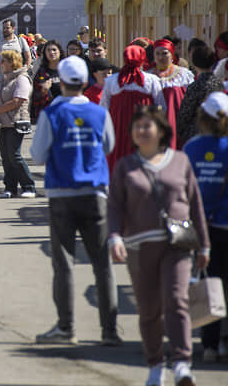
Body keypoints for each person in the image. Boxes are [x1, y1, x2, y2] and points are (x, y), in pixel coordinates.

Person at [107, 106, 209, 386]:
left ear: (162, 130)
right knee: (149, 310)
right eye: (137, 126)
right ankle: (155, 365)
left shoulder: (180, 161)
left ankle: (182, 364)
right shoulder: (125, 166)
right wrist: (114, 236)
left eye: (147, 125)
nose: (141, 131)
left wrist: (204, 245)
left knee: (177, 301)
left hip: (178, 245)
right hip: (139, 248)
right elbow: (115, 206)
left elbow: (195, 204)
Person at [30, 56, 120, 346]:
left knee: (64, 264)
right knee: (102, 264)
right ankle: (109, 331)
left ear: (62, 81)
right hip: (95, 194)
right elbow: (109, 146)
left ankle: (66, 327)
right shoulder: (99, 112)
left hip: (62, 194)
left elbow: (38, 155)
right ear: (85, 81)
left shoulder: (52, 114)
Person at [183, 92, 228, 363]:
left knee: (209, 283)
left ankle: (210, 344)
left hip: (202, 227)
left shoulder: (192, 147)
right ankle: (225, 341)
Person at [102, 45, 165, 171]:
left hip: (118, 130)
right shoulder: (152, 80)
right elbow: (161, 107)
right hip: (144, 129)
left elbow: (104, 108)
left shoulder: (111, 81)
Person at [0, 50, 35, 198]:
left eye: (4, 61)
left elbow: (17, 101)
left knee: (14, 156)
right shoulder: (2, 80)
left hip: (16, 123)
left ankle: (28, 186)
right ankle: (10, 187)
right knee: (6, 157)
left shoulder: (22, 79)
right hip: (1, 124)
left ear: (13, 62)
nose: (1, 64)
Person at [150, 39, 195, 148]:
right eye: (157, 54)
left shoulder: (184, 74)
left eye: (164, 53)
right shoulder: (149, 76)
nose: (160, 57)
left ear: (172, 54)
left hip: (179, 120)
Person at [178, 46, 224, 147]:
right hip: (220, 132)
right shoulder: (220, 85)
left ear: (194, 63)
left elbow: (185, 115)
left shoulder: (195, 87)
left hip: (197, 135)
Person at [31, 40, 62, 122]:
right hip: (47, 115)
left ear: (60, 51)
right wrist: (43, 91)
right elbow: (34, 97)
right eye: (48, 50)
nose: (51, 52)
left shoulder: (65, 69)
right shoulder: (41, 72)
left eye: (54, 50)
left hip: (64, 112)